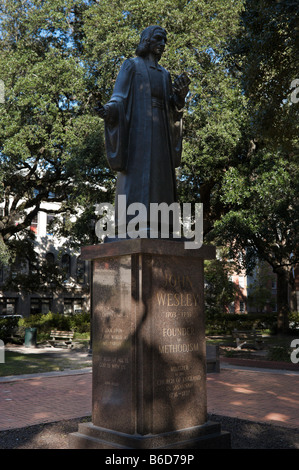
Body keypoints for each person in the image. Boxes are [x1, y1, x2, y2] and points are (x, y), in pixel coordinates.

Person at [98, 26, 190, 237]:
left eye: (165, 40)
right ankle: (132, 222)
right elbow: (119, 97)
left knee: (161, 177)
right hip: (138, 132)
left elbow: (172, 108)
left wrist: (180, 98)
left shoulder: (165, 74)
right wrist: (107, 111)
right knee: (137, 176)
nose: (163, 43)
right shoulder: (131, 66)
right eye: (158, 38)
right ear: (147, 41)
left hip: (161, 134)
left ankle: (163, 224)